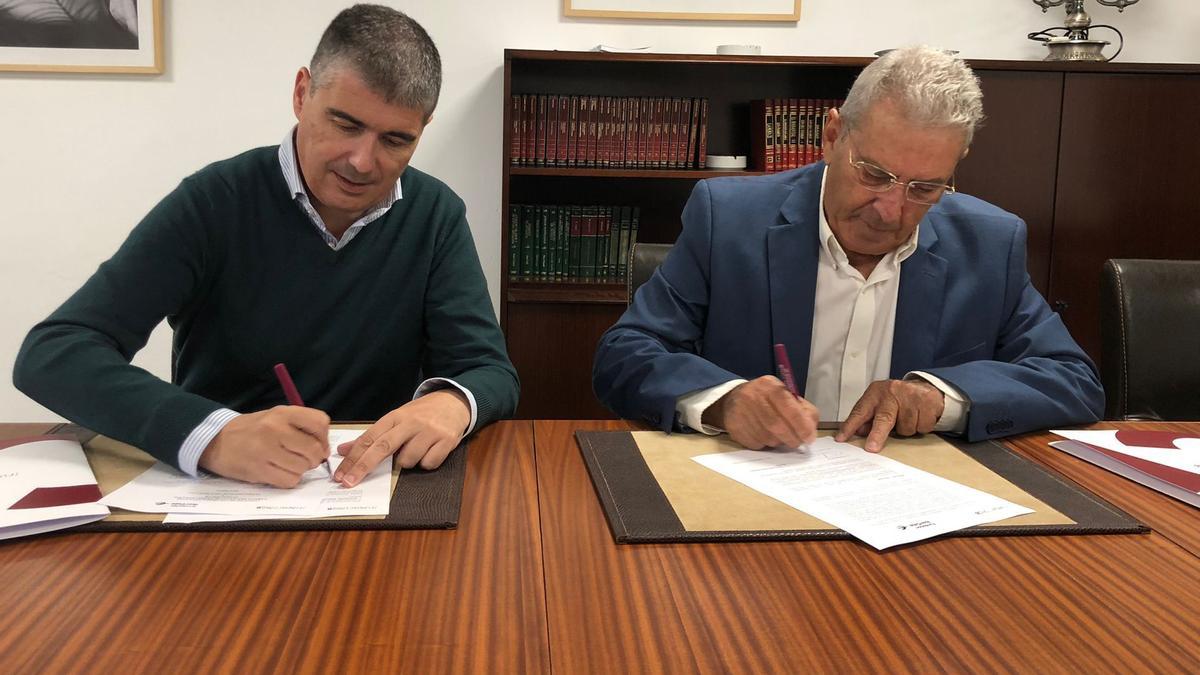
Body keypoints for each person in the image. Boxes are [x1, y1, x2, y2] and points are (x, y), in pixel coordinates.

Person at [13, 4, 518, 488]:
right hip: (221, 497)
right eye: (346, 124)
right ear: (302, 94)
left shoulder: (434, 214)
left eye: (395, 140)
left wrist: (454, 401)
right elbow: (54, 352)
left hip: (375, 493)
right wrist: (212, 434)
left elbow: (489, 369)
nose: (363, 161)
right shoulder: (214, 202)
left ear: (421, 130)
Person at [592, 46, 1102, 453]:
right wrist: (725, 402)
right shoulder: (727, 218)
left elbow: (1072, 380)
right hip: (754, 494)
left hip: (916, 512)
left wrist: (941, 397)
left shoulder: (990, 242)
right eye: (874, 174)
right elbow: (626, 354)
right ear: (832, 135)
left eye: (924, 188)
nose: (890, 210)